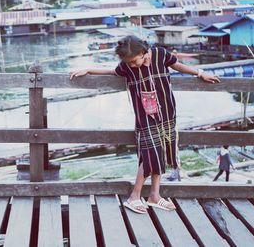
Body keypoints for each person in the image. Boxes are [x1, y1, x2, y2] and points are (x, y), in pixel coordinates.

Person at [70, 35, 220, 214]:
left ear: (143, 52)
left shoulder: (160, 54)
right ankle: (134, 196)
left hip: (166, 112)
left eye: (134, 61)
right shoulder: (127, 66)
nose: (132, 65)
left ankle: (155, 196)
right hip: (145, 118)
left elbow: (176, 65)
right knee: (150, 154)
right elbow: (111, 72)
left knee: (162, 150)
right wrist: (88, 69)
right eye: (129, 63)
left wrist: (199, 73)